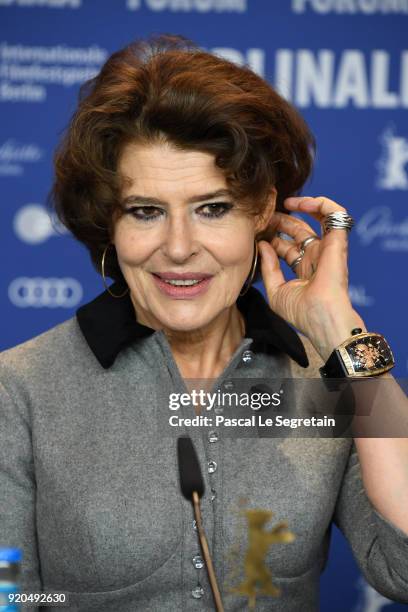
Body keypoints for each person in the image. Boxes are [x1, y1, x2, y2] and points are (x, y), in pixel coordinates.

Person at [0, 34, 407, 612]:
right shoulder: (20, 388)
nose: (179, 248)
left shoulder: (327, 379)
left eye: (212, 208)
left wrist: (345, 336)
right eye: (146, 212)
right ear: (109, 224)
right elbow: (8, 595)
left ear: (261, 211)